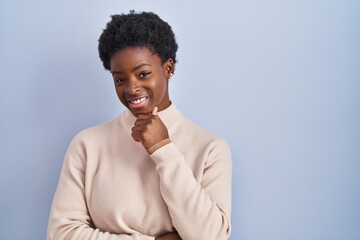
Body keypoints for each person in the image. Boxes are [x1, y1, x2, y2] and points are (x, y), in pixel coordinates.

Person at [47, 11, 232, 240]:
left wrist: (164, 150)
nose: (131, 88)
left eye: (143, 74)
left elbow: (211, 237)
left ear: (168, 68)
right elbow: (61, 234)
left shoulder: (210, 148)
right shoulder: (87, 145)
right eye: (120, 79)